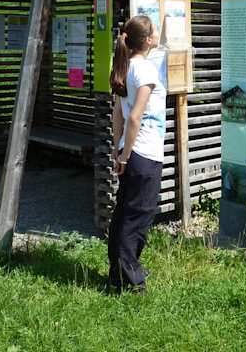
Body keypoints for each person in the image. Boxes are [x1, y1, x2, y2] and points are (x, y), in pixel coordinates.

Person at [107, 15, 166, 293]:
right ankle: (131, 281)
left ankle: (119, 273)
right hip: (143, 154)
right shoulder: (146, 71)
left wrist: (118, 150)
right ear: (148, 40)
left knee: (123, 214)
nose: (156, 36)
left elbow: (118, 114)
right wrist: (127, 155)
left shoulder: (124, 66)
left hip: (129, 152)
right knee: (138, 217)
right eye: (154, 32)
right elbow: (133, 117)